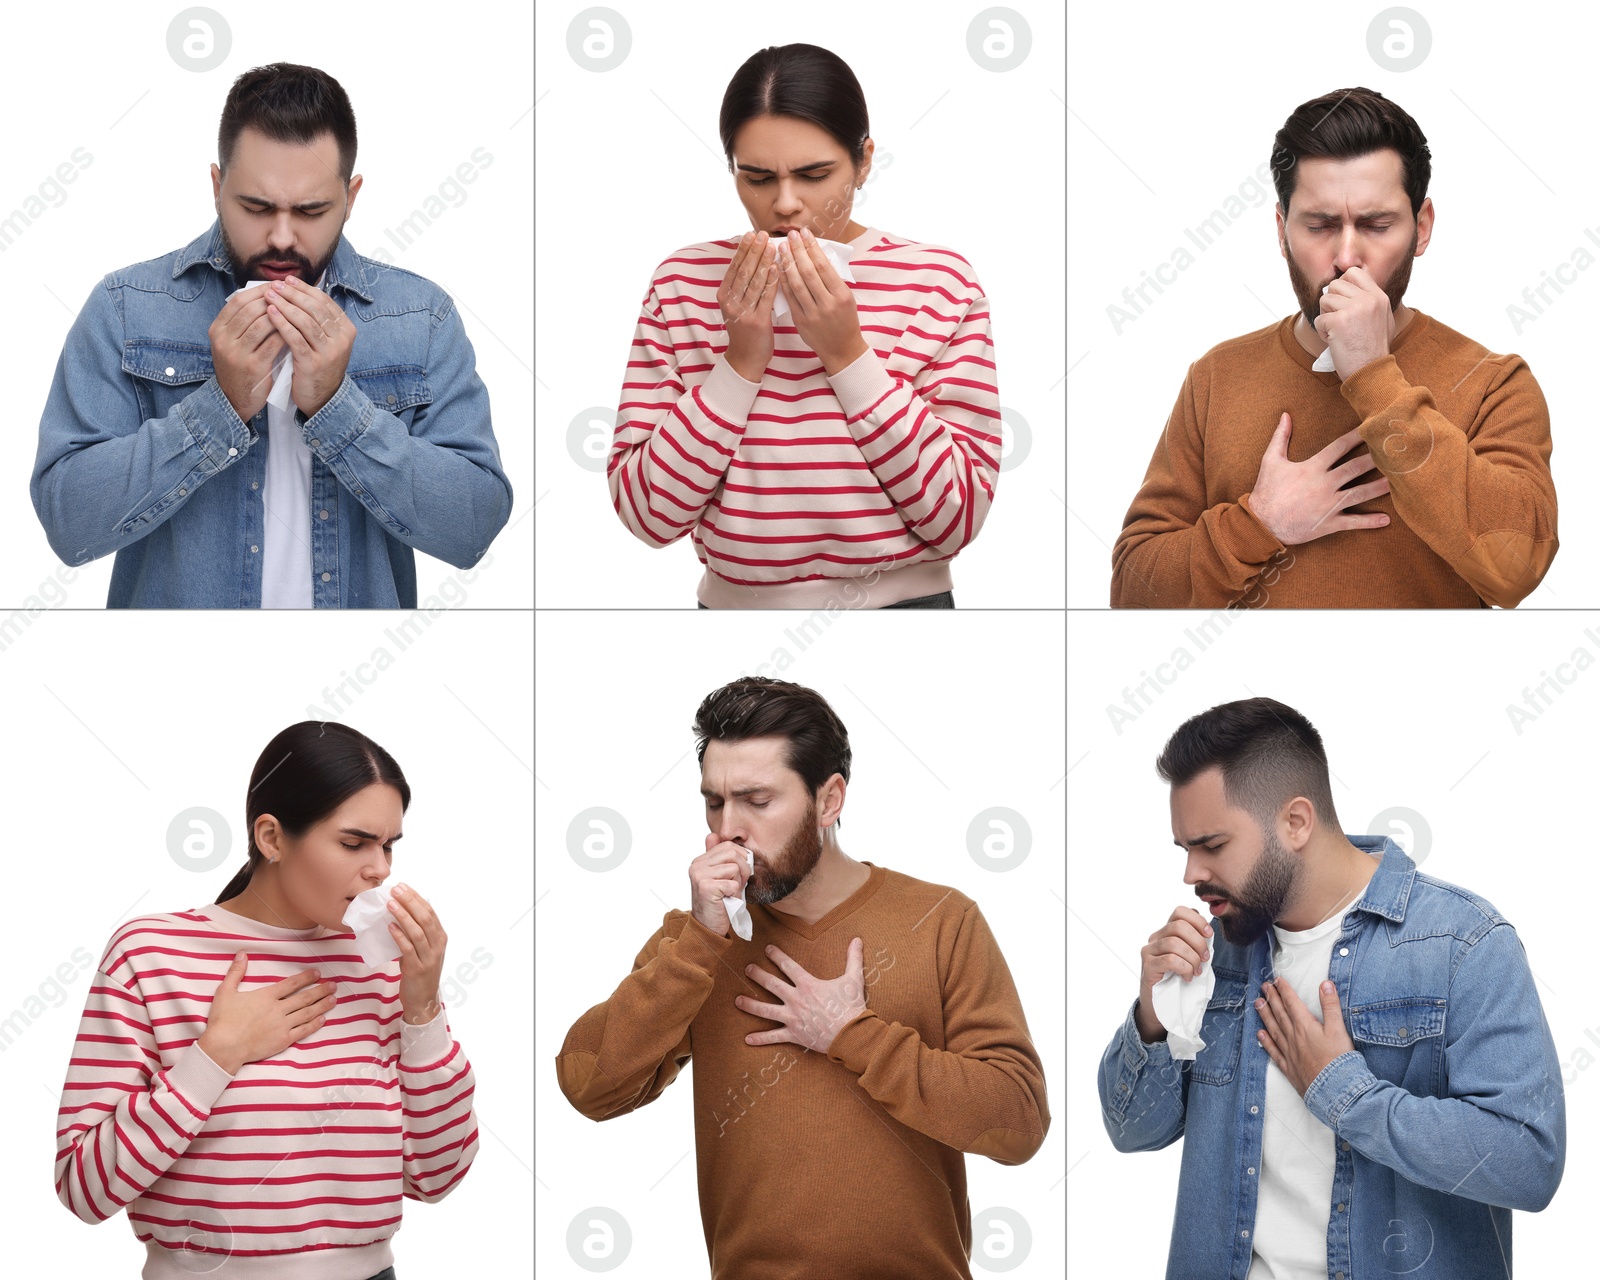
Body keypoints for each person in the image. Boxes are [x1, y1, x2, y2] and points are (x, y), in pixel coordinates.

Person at [555, 677, 1048, 1278]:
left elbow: (1019, 1124)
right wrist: (698, 945)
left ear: (829, 799)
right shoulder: (696, 943)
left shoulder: (942, 921)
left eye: (757, 802)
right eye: (714, 801)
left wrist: (852, 1035)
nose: (727, 828)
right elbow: (589, 1087)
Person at [1097, 697, 1564, 1278]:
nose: (1190, 873)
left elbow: (1528, 1162)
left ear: (1295, 822)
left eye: (1212, 845)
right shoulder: (1216, 952)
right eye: (1184, 848)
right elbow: (1131, 1131)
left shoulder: (1463, 943)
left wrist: (1342, 1091)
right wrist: (1152, 1013)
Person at [31, 62, 512, 608]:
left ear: (351, 198)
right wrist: (219, 409)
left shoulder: (419, 317)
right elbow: (67, 524)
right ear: (217, 187)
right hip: (175, 679)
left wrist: (339, 409)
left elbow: (473, 527)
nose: (282, 237)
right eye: (256, 207)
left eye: (311, 211)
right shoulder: (127, 307)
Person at [53, 721, 478, 1278]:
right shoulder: (150, 954)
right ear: (272, 837)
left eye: (389, 845)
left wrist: (422, 1007)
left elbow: (438, 1175)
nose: (380, 869)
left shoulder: (381, 966)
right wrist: (216, 1057)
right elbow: (83, 1189)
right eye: (354, 843)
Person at [1110, 87, 1557, 608]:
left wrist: (1374, 376)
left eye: (1376, 225)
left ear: (1422, 227)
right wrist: (1259, 522)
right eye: (1320, 226)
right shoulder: (1216, 377)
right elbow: (1132, 596)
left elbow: (1515, 572)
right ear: (1282, 232)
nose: (1347, 257)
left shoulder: (1493, 383)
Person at [607, 44, 1000, 610]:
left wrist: (848, 354)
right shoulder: (682, 282)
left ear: (864, 161)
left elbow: (958, 518)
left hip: (907, 613)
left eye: (815, 174)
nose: (785, 203)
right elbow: (647, 517)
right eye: (758, 177)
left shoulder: (940, 281)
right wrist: (739, 362)